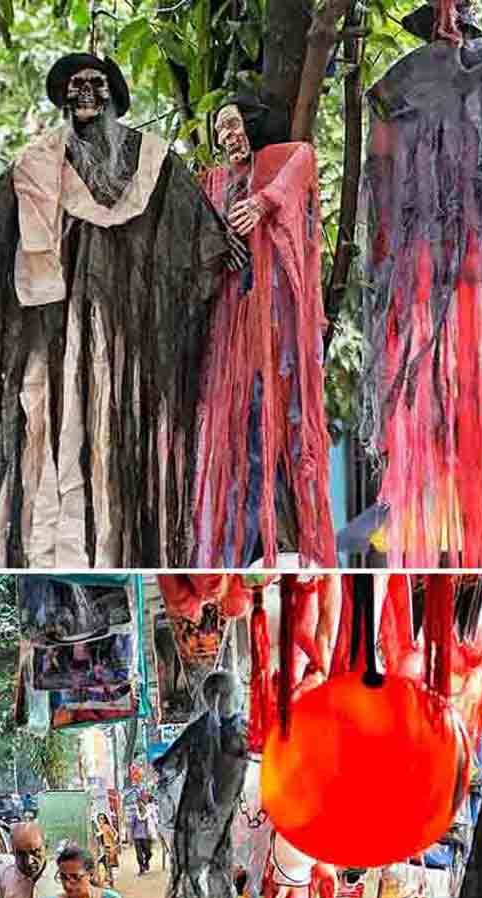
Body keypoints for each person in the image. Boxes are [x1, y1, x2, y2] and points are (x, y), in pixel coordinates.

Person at [0, 51, 237, 570]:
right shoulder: (38, 163)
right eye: (75, 85)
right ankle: (62, 554)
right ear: (63, 99)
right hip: (61, 324)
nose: (86, 92)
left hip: (127, 331)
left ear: (114, 94)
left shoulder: (151, 158)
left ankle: (113, 552)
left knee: (115, 435)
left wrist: (215, 240)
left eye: (97, 83)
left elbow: (190, 218)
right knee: (59, 426)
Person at [193, 86, 335, 569]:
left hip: (278, 328)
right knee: (237, 438)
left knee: (283, 428)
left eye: (233, 123)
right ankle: (243, 547)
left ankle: (290, 542)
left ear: (253, 123)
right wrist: (216, 247)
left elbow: (305, 157)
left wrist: (263, 204)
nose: (227, 136)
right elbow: (198, 237)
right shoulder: (212, 182)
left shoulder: (279, 158)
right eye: (219, 131)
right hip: (231, 328)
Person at [131, 794, 154, 875]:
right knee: (139, 854)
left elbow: (151, 824)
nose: (139, 804)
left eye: (140, 803)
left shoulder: (148, 814)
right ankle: (141, 868)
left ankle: (146, 862)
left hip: (146, 836)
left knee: (149, 853)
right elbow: (132, 826)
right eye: (137, 803)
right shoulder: (135, 814)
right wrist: (131, 838)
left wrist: (151, 834)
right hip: (137, 837)